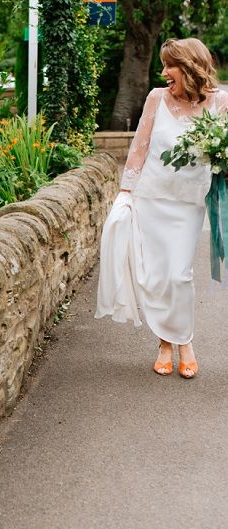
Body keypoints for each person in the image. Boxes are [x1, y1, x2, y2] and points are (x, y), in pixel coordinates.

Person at [95, 37, 228, 378]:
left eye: (171, 66)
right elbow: (139, 146)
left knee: (179, 275)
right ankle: (164, 343)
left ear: (190, 68)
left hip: (188, 203)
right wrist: (126, 192)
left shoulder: (220, 103)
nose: (165, 71)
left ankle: (185, 341)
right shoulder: (157, 98)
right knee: (154, 277)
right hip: (151, 198)